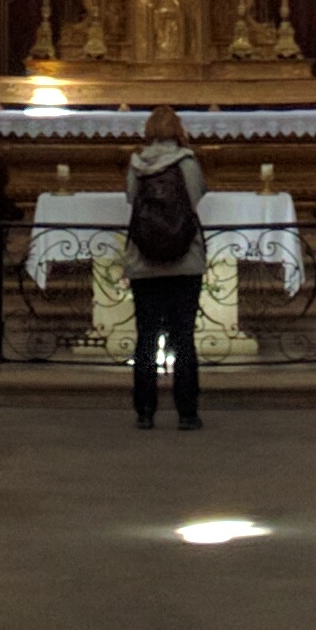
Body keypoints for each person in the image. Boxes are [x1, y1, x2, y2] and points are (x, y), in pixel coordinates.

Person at [122, 107, 209, 430]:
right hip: (185, 260)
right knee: (183, 337)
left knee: (145, 336)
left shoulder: (136, 163)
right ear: (178, 130)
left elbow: (132, 200)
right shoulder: (186, 161)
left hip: (143, 261)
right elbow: (195, 198)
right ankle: (187, 412)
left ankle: (145, 411)